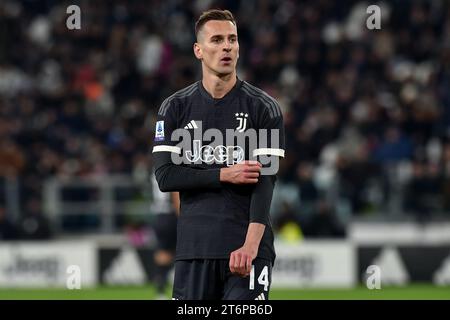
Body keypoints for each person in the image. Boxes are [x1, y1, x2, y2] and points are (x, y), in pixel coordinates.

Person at [151, 9, 285, 300]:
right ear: (198, 50)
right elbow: (165, 176)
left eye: (232, 39)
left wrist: (250, 247)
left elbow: (266, 184)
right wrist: (225, 173)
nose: (227, 46)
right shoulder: (173, 108)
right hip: (193, 252)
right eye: (217, 39)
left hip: (247, 251)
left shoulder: (265, 108)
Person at [150, 170, 179, 299]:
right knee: (176, 251)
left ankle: (160, 291)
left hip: (159, 214)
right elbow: (175, 192)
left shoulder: (156, 168)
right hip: (171, 214)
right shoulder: (171, 166)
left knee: (162, 251)